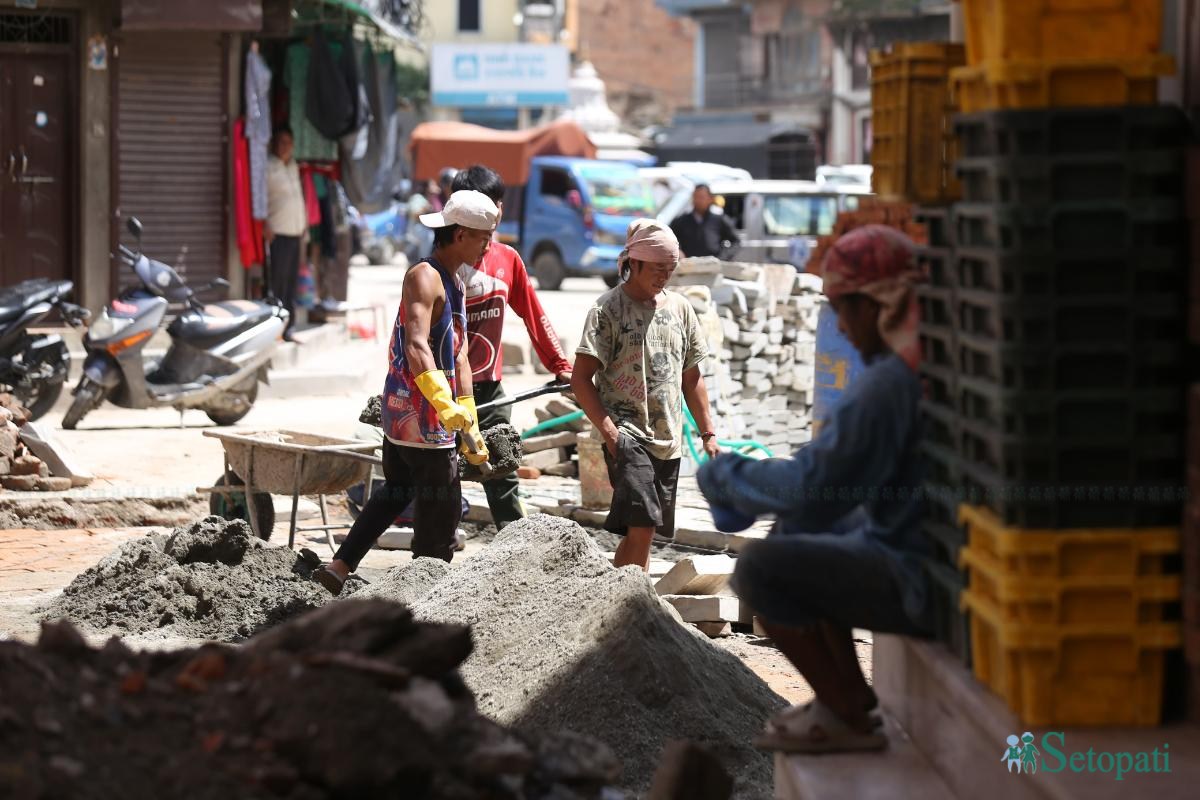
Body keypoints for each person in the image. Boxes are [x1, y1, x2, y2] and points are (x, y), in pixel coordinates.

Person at [696, 224, 932, 754]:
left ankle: (845, 707)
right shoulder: (920, 364)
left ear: (879, 304)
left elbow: (811, 485)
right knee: (801, 527)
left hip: (925, 580)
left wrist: (724, 476)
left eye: (844, 310)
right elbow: (828, 483)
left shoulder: (891, 384)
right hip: (926, 549)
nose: (842, 329)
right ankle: (846, 698)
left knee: (759, 569)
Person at [312, 190, 499, 595]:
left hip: (429, 416)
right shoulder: (423, 276)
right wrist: (442, 402)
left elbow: (461, 355)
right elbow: (416, 345)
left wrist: (470, 419)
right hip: (418, 416)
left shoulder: (456, 284)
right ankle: (422, 598)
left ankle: (340, 566)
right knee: (441, 516)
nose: (489, 245)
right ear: (461, 233)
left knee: (396, 490)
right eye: (484, 237)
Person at [572, 220, 720, 572]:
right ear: (633, 263)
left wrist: (708, 432)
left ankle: (614, 599)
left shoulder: (680, 309)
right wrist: (610, 434)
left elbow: (692, 377)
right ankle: (632, 607)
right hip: (627, 436)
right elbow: (580, 380)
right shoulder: (607, 310)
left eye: (670, 270)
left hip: (667, 440)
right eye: (657, 269)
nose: (664, 277)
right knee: (643, 524)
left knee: (645, 532)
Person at [452, 164, 574, 528]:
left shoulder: (509, 260)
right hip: (441, 393)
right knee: (439, 479)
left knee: (502, 473)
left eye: (498, 204)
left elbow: (535, 317)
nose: (495, 213)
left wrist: (560, 366)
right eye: (486, 205)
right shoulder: (441, 263)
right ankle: (433, 555)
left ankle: (514, 551)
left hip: (489, 390)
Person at [264, 128, 307, 341]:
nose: (285, 146)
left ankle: (289, 328)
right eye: (281, 141)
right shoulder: (268, 166)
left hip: (294, 232)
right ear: (274, 143)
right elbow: (260, 198)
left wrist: (304, 225)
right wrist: (264, 224)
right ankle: (275, 329)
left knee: (290, 284)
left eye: (289, 142)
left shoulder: (293, 166)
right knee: (277, 282)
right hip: (277, 232)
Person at [670, 184, 738, 259]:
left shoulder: (718, 219)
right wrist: (678, 251)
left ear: (710, 199)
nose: (698, 200)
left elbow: (736, 241)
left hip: (714, 265)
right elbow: (669, 239)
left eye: (702, 197)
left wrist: (724, 257)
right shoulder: (681, 221)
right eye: (696, 197)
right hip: (689, 266)